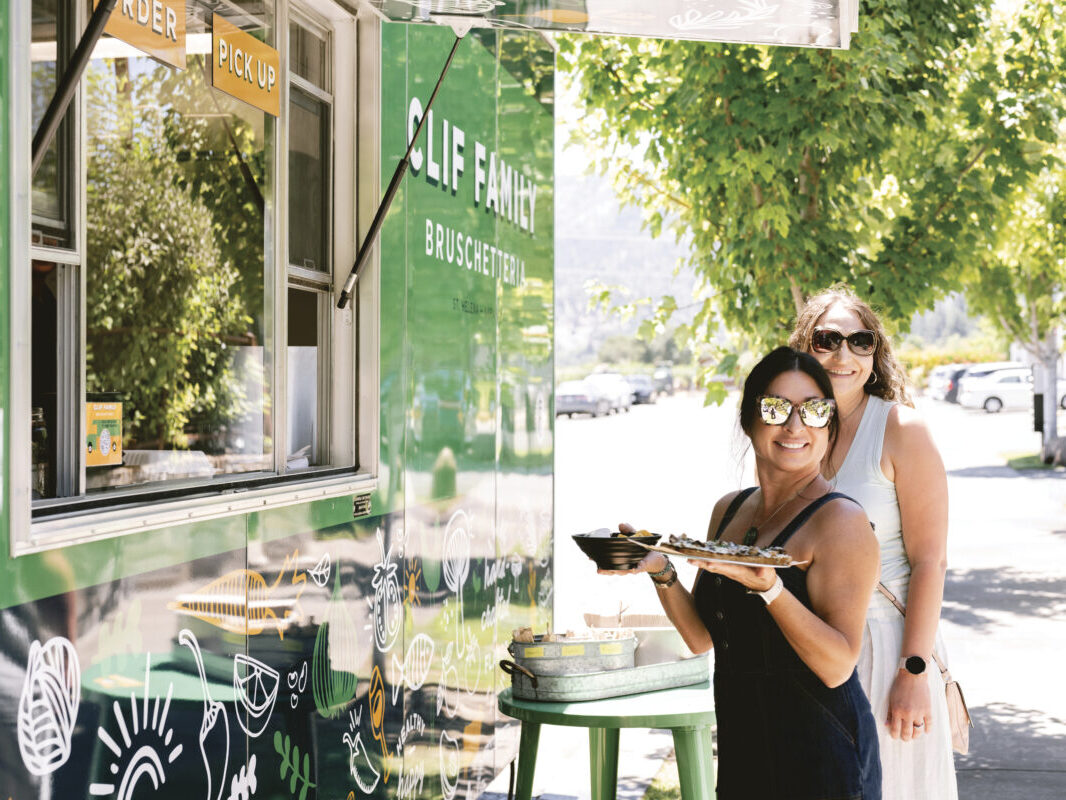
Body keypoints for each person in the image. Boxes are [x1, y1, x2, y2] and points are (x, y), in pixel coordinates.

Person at [602, 346, 882, 800]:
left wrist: (772, 589)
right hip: (743, 742)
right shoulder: (730, 510)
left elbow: (837, 666)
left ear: (828, 423)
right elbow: (703, 639)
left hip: (820, 753)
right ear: (749, 419)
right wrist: (661, 570)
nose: (795, 426)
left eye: (813, 410)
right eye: (776, 408)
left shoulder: (840, 522)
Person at [789, 286, 958, 800]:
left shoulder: (902, 429)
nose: (844, 355)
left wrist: (914, 670)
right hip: (810, 646)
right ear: (804, 347)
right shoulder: (795, 430)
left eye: (860, 341)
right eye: (827, 340)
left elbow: (931, 561)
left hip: (887, 648)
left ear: (875, 353)